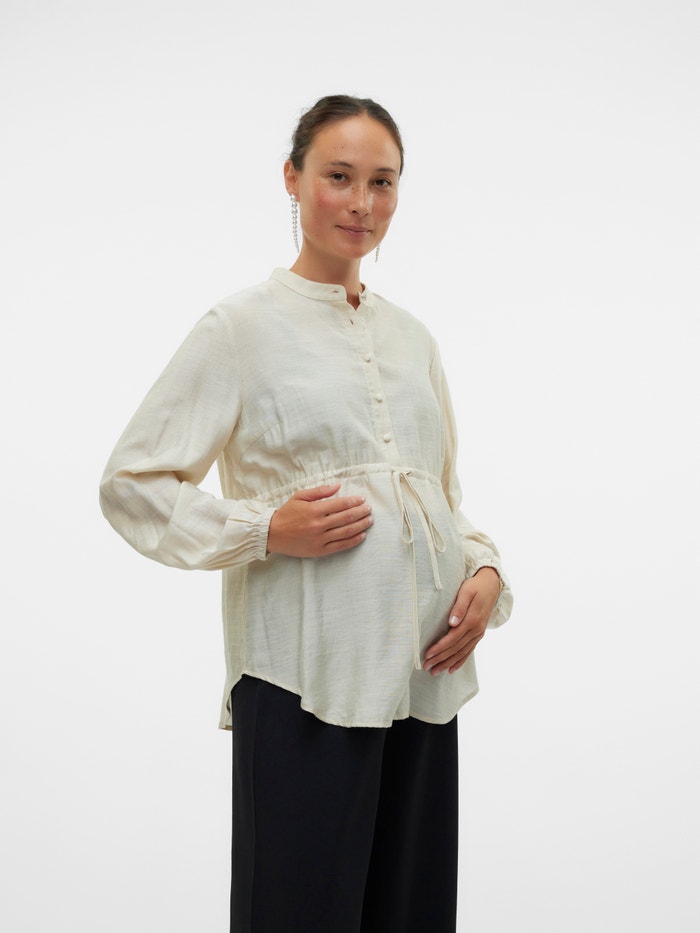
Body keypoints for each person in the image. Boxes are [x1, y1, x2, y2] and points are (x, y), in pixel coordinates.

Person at [100, 94, 513, 933]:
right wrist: (262, 528)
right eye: (339, 176)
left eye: (383, 182)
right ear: (292, 179)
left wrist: (485, 571)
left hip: (421, 679)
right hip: (303, 683)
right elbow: (132, 483)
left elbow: (439, 497)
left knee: (411, 914)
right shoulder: (240, 328)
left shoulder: (413, 339)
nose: (362, 203)